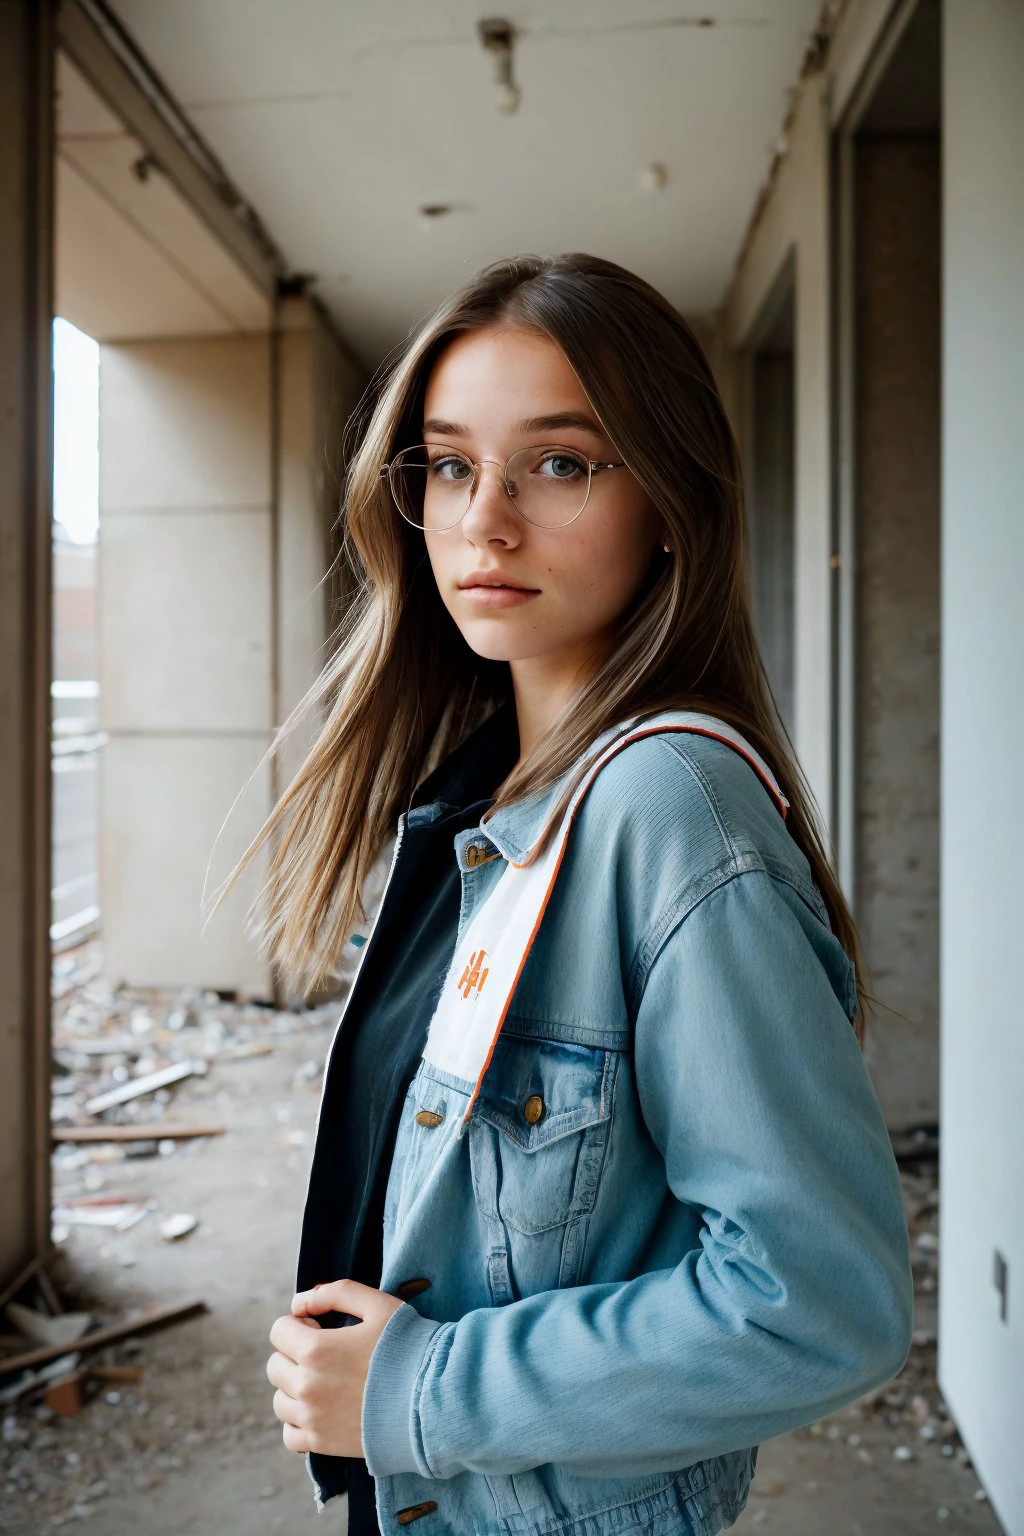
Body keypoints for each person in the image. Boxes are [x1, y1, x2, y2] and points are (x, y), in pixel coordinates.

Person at [247, 252, 913, 1534]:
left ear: (671, 499)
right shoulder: (489, 804)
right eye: (448, 465)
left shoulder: (668, 809)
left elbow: (818, 1301)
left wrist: (418, 1387)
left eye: (558, 464)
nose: (484, 520)